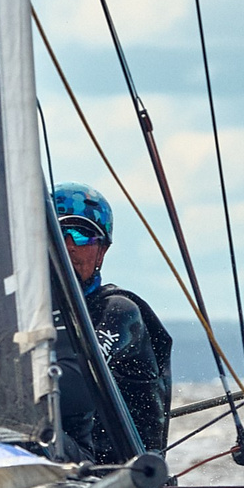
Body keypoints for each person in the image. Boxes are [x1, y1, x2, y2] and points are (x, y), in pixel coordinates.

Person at [49, 183, 172, 462]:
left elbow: (78, 388)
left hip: (122, 482)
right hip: (63, 469)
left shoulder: (118, 312)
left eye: (82, 236)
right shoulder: (30, 316)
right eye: (57, 234)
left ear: (102, 251)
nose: (68, 246)